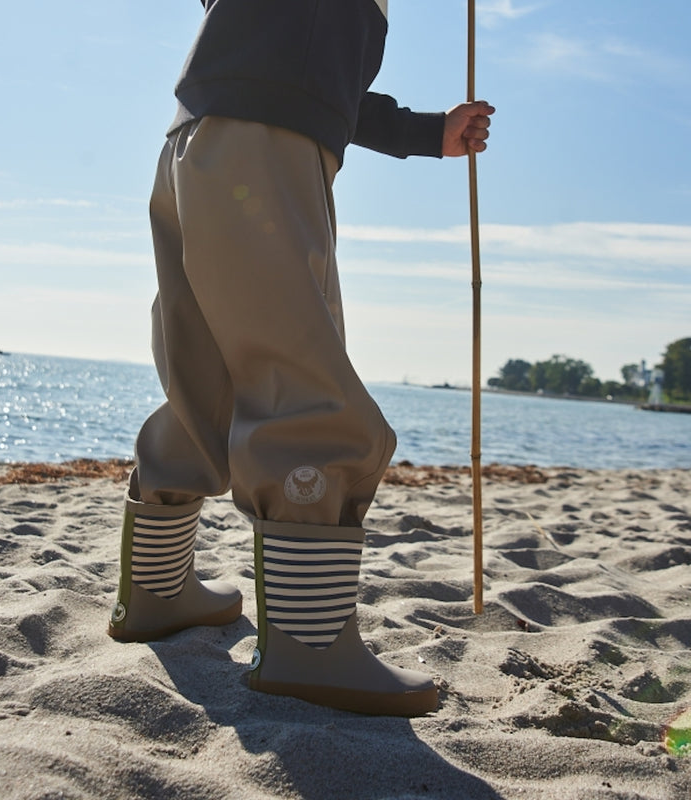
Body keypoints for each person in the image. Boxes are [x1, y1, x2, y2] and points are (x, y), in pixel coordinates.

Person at [108, 0, 494, 718]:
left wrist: (420, 131)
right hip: (264, 142)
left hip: (203, 132)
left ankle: (158, 592)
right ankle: (309, 646)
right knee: (300, 379)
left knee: (207, 377)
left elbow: (307, 67)